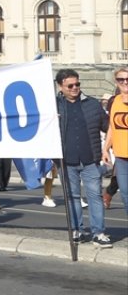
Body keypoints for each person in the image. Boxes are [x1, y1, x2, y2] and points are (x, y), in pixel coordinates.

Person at [55, 69, 111, 248]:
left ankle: (99, 233)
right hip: (66, 161)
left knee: (95, 196)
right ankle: (77, 230)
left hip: (90, 160)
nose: (75, 88)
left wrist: (107, 149)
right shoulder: (54, 106)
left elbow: (109, 127)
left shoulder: (93, 104)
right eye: (70, 85)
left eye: (77, 84)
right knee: (72, 197)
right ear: (60, 86)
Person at [102, 67, 128, 232]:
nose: (125, 82)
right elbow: (112, 126)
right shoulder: (114, 101)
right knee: (125, 194)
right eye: (121, 79)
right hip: (121, 156)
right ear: (116, 82)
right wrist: (105, 149)